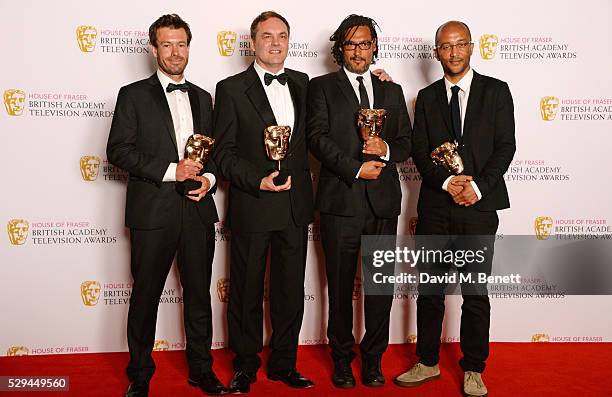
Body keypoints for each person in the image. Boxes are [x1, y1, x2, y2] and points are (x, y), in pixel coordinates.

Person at [394, 21, 515, 397]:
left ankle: (474, 368)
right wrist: (448, 183)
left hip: (479, 208)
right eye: (446, 47)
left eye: (460, 44)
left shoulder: (496, 91)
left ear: (471, 47)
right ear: (436, 52)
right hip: (435, 208)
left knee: (475, 293)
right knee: (429, 290)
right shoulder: (427, 97)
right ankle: (427, 361)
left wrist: (476, 187)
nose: (454, 52)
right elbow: (419, 150)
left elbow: (504, 147)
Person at [106, 14, 226, 397]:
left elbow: (216, 156)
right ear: (154, 49)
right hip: (152, 213)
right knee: (145, 296)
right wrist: (173, 170)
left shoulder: (204, 97)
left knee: (198, 295)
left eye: (181, 44)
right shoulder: (133, 94)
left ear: (189, 47)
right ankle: (139, 374)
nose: (175, 52)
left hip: (196, 212)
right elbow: (118, 151)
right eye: (167, 45)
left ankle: (201, 370)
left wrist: (209, 179)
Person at [212, 11, 315, 394]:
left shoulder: (305, 83)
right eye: (267, 36)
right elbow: (223, 153)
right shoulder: (230, 88)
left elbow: (341, 107)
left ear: (290, 41)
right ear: (252, 42)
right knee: (246, 290)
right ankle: (245, 364)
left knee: (290, 289)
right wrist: (257, 180)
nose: (275, 43)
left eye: (282, 35)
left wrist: (380, 76)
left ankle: (285, 364)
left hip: (294, 206)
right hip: (253, 203)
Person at [307, 14, 412, 389]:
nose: (358, 50)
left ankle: (373, 360)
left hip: (383, 204)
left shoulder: (392, 90)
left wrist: (383, 150)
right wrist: (355, 168)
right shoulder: (321, 88)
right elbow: (316, 139)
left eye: (364, 43)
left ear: (374, 48)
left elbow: (405, 143)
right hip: (340, 202)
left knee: (380, 288)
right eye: (350, 44)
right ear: (339, 49)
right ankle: (340, 359)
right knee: (338, 288)